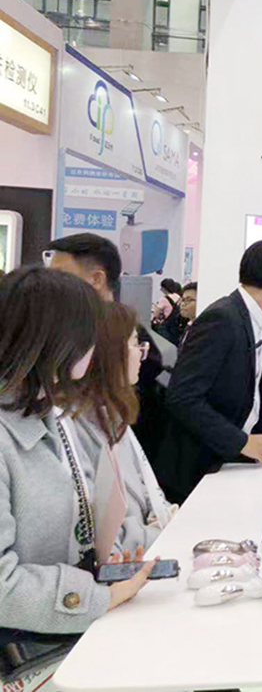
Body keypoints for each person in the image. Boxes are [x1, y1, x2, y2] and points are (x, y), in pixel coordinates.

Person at [0, 267, 156, 644]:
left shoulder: (49, 416)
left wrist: (105, 564)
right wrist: (95, 597)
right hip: (26, 646)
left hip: (57, 629)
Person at [159, 240, 262, 503]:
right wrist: (241, 442)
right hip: (199, 470)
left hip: (229, 461)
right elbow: (182, 397)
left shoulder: (249, 318)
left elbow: (245, 395)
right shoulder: (222, 318)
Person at [45, 233, 167, 466]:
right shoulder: (59, 332)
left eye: (60, 275)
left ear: (97, 279)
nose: (50, 284)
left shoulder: (124, 338)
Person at [75, 302, 175, 558]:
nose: (142, 353)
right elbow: (100, 531)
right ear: (109, 353)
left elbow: (143, 487)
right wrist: (157, 531)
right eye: (134, 344)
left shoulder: (114, 416)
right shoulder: (78, 427)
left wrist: (162, 514)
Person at [151, 278, 184, 345]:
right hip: (176, 326)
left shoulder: (164, 299)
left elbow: (155, 314)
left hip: (166, 327)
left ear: (164, 288)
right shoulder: (178, 297)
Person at [177, 281, 197, 348]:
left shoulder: (203, 329)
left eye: (189, 300)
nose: (183, 304)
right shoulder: (188, 326)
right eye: (183, 300)